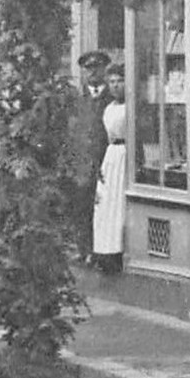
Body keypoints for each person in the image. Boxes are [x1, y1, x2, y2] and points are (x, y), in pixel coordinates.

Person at [69, 50, 113, 261]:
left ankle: (100, 250)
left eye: (97, 67)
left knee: (105, 207)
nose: (93, 72)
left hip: (107, 161)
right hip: (82, 163)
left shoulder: (112, 98)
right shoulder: (77, 100)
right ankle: (83, 249)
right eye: (88, 68)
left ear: (104, 70)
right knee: (81, 207)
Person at [92, 64, 129, 274]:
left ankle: (119, 250)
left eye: (119, 81)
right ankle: (105, 251)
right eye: (112, 82)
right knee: (105, 203)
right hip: (111, 156)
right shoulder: (108, 108)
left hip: (125, 155)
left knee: (119, 203)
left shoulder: (129, 108)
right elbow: (106, 137)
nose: (115, 86)